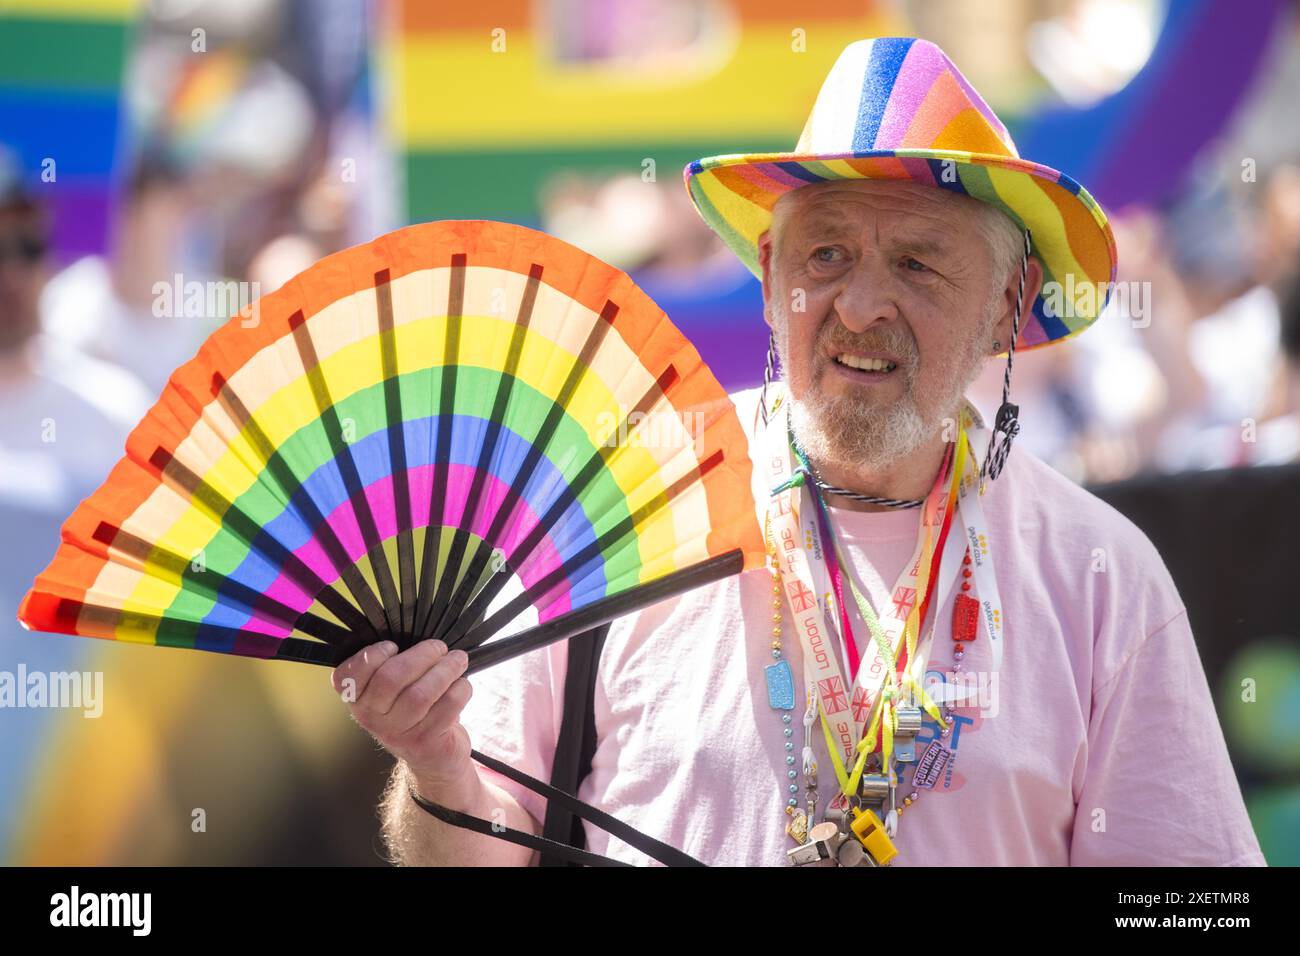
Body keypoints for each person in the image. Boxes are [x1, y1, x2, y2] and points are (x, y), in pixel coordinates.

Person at [334, 38, 1266, 866]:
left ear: (1006, 309)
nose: (859, 306)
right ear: (772, 277)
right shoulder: (613, 507)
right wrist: (435, 759)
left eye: (917, 263)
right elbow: (472, 852)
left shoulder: (1099, 574)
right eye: (824, 256)